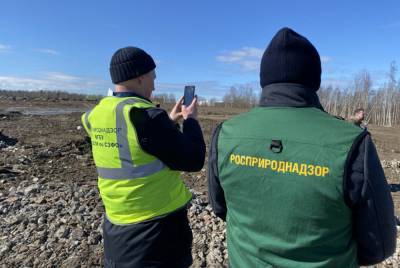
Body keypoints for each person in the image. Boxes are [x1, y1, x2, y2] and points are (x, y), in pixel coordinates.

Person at [208, 28, 396, 267]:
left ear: (263, 78)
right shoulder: (352, 142)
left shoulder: (225, 134)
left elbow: (220, 207)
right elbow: (380, 244)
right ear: (314, 79)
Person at [81, 46, 206, 267]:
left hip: (115, 228)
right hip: (156, 232)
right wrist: (190, 120)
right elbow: (194, 159)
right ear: (140, 77)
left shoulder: (95, 115)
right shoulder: (146, 116)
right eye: (152, 77)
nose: (154, 84)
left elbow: (133, 145)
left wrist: (169, 121)